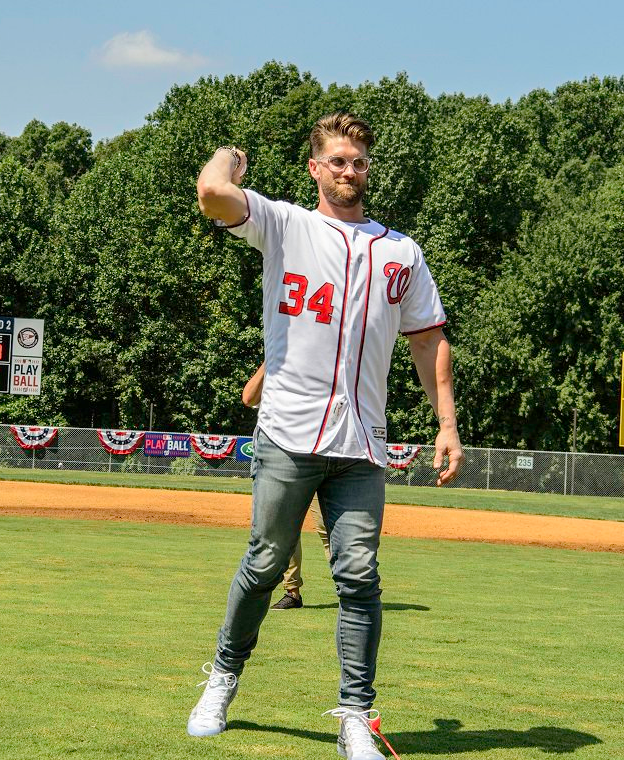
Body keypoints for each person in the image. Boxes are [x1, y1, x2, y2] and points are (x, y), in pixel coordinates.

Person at [188, 112, 464, 760]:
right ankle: (223, 680)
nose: (349, 171)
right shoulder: (286, 226)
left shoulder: (400, 252)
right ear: (315, 168)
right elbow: (211, 193)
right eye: (337, 160)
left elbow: (428, 341)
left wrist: (447, 424)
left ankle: (355, 718)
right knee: (262, 566)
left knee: (360, 577)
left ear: (369, 169)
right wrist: (233, 152)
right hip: (288, 433)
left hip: (362, 443)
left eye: (359, 161)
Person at [243, 362, 333, 611]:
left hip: (321, 458)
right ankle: (292, 592)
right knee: (284, 534)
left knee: (330, 529)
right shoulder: (277, 376)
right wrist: (271, 358)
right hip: (283, 464)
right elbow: (249, 397)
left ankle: (350, 591)